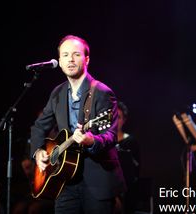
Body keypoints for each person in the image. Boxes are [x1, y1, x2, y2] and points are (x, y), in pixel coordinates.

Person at [30, 34, 126, 214]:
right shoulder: (57, 93)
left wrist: (91, 141)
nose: (70, 59)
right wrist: (38, 152)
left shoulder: (102, 92)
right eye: (65, 55)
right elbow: (38, 127)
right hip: (64, 180)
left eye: (76, 54)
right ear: (59, 60)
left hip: (97, 182)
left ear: (87, 59)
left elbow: (110, 136)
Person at [115, 101, 140, 214]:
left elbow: (135, 169)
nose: (115, 120)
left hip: (125, 187)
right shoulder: (103, 141)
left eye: (118, 117)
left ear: (124, 120)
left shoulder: (131, 141)